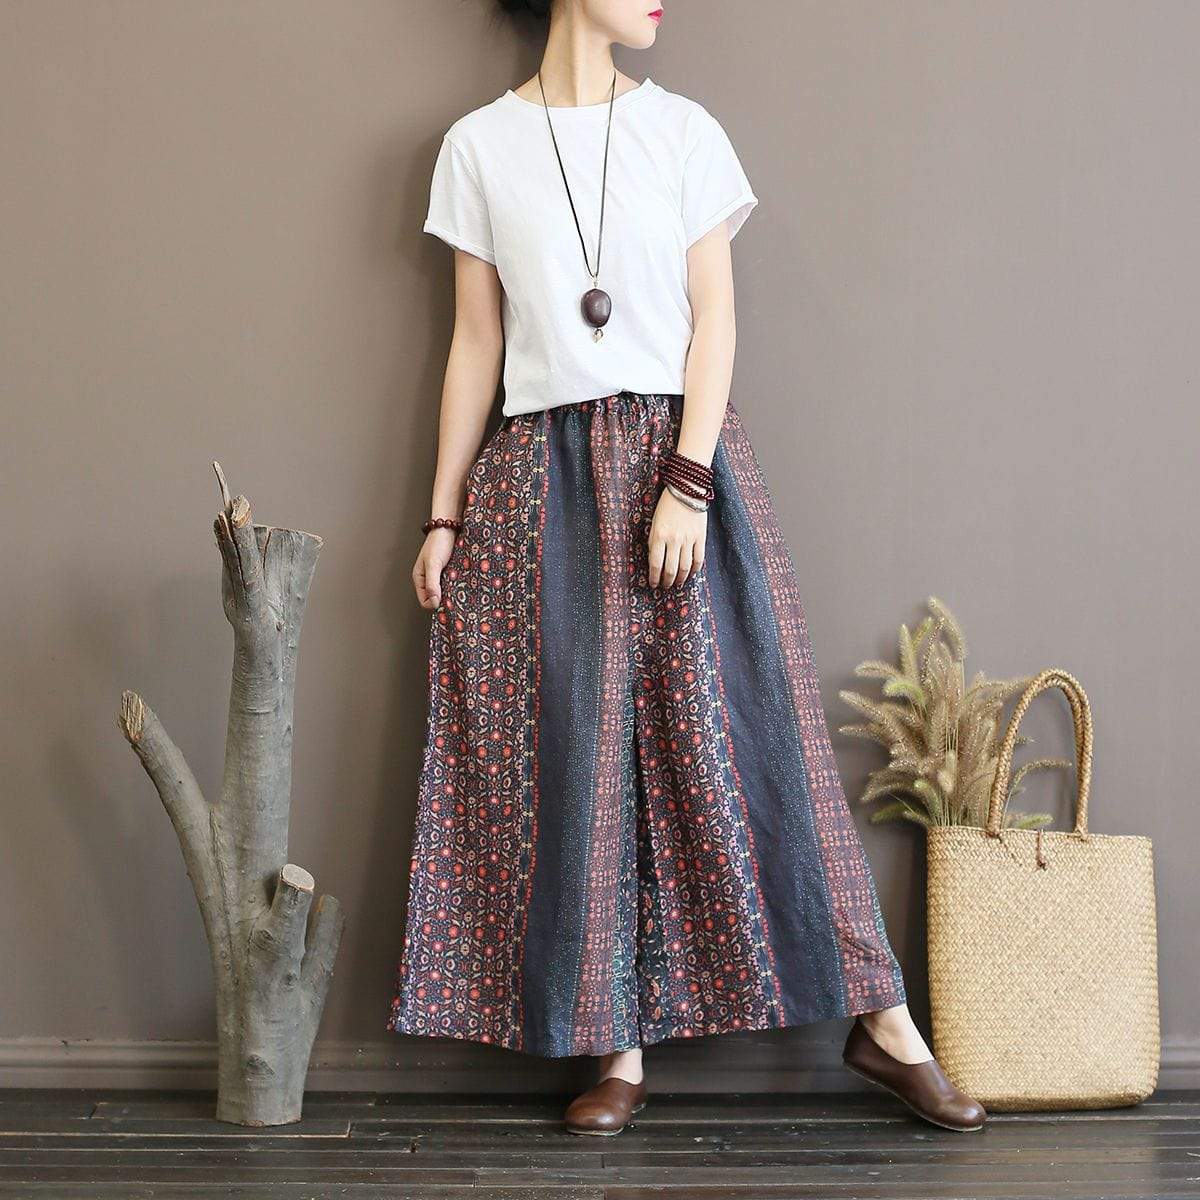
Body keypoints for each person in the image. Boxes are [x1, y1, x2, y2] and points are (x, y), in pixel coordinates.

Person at [386, 0, 986, 1137]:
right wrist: (444, 516)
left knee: (757, 737)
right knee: (582, 758)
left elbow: (717, 321)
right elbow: (475, 342)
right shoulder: (478, 147)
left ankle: (884, 1019)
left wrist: (690, 479)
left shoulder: (683, 130)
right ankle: (616, 1050)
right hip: (541, 480)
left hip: (680, 463)